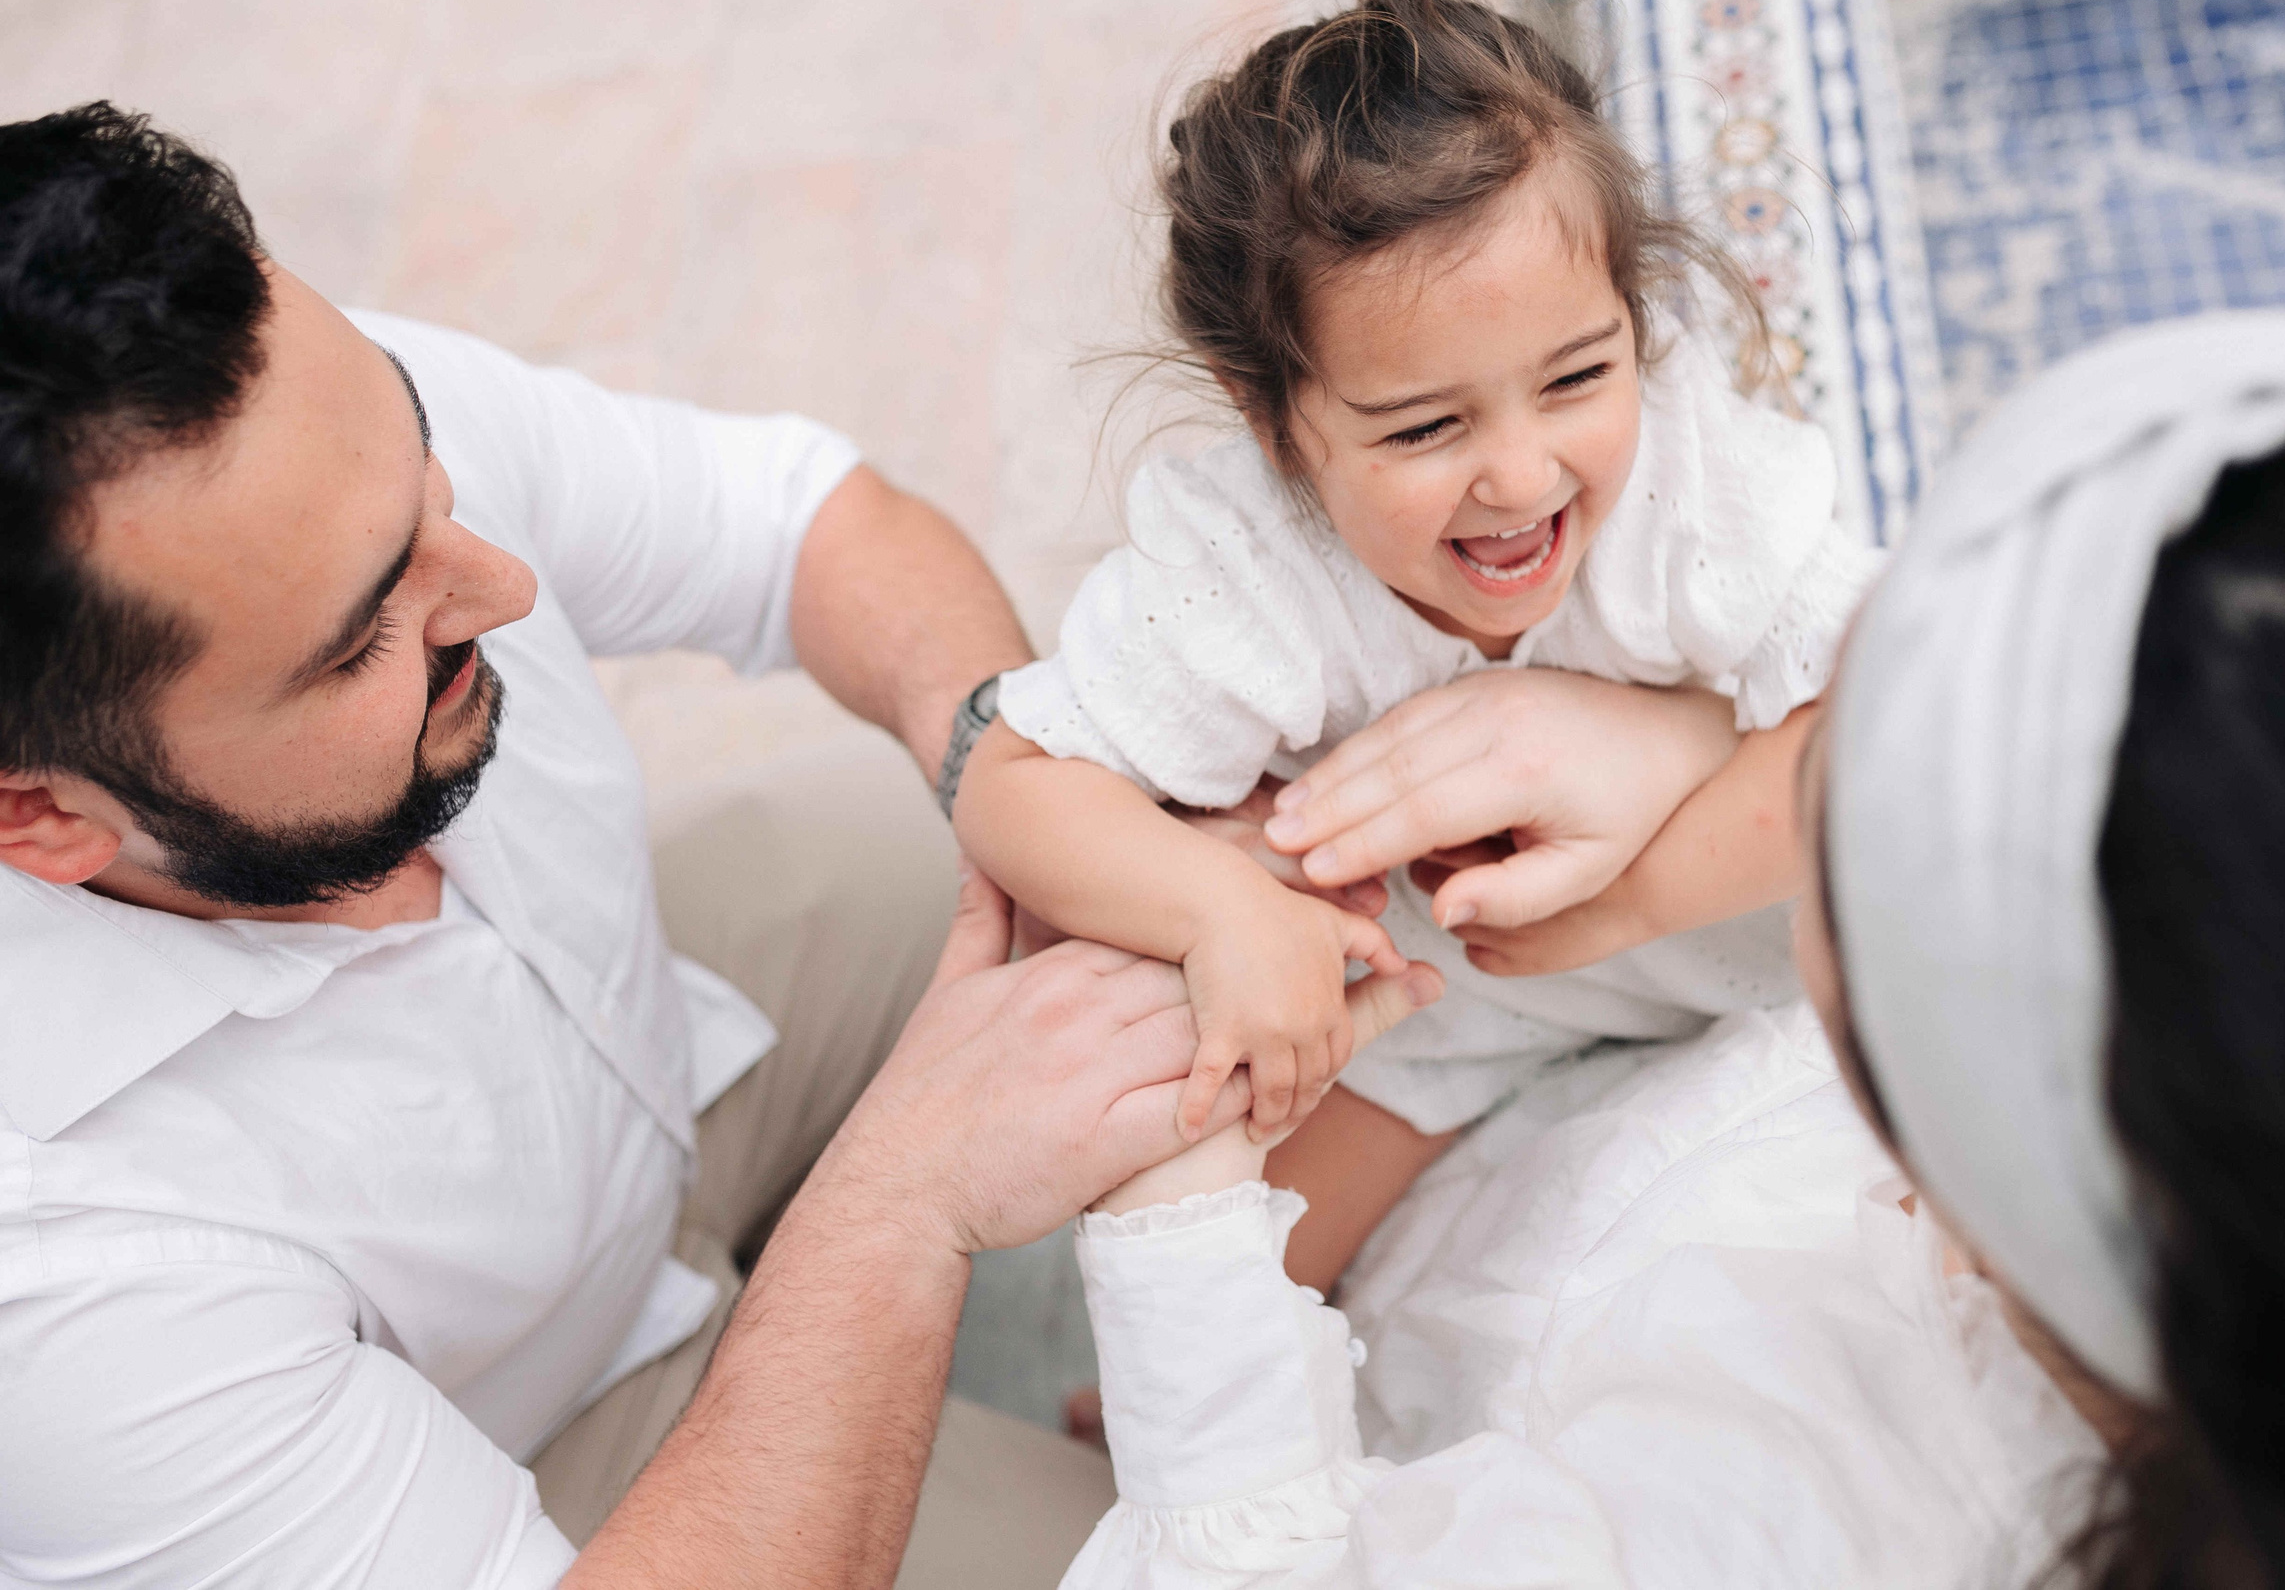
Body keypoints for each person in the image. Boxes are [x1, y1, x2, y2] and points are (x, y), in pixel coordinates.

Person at [0, 103, 1435, 1587]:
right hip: (545, 1459)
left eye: (433, 483)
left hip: (673, 1019)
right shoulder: (59, 1295)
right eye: (368, 637)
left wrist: (1030, 792)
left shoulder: (293, 433)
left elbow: (804, 524)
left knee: (1208, 801)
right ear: (41, 815)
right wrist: (904, 1196)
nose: (501, 583)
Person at [1042, 309, 2285, 1587]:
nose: (1838, 703)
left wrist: (1180, 1194)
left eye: (1839, 787)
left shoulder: (1793, 1525)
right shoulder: (2225, 1184)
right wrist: (1677, 748)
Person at [954, 0, 1880, 1289]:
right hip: (1454, 1009)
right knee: (1225, 1295)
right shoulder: (1253, 567)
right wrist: (1226, 914)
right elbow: (1014, 781)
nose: (1520, 475)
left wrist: (1628, 903)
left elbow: (1892, 718)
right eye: (1423, 429)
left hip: (1749, 945)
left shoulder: (1688, 483)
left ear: (1633, 319)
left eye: (1576, 377)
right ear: (1272, 415)